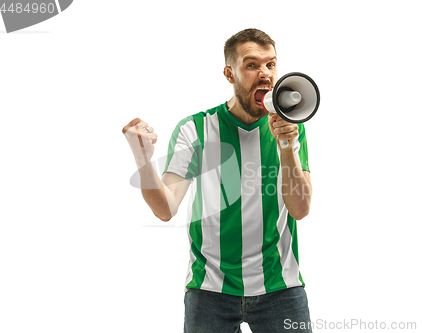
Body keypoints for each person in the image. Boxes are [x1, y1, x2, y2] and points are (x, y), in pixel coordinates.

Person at [123, 28, 313, 333]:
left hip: (281, 288)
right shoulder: (195, 129)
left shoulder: (292, 128)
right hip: (210, 291)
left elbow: (300, 209)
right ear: (230, 73)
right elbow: (165, 208)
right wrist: (143, 160)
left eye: (271, 64)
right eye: (251, 65)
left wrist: (287, 145)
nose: (264, 74)